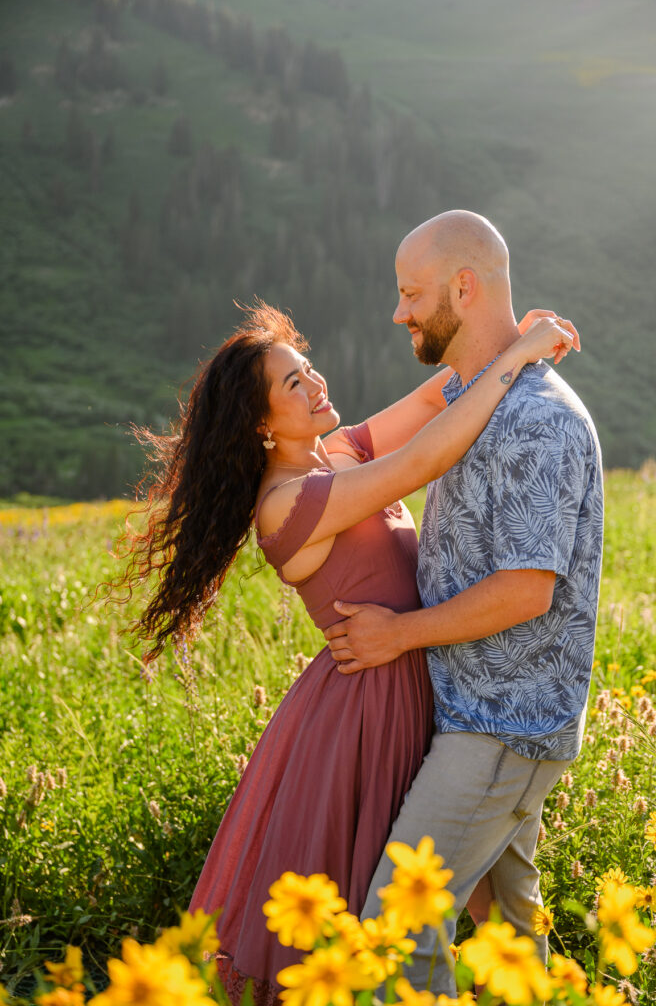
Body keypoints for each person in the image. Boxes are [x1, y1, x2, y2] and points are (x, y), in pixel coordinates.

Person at [122, 299, 575, 1005]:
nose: (315, 385)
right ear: (259, 424)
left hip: (417, 676)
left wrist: (508, 334)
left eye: (308, 370)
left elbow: (433, 396)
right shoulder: (286, 501)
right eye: (292, 386)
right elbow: (427, 455)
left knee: (484, 892)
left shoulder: (339, 452)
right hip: (366, 709)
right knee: (371, 905)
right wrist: (518, 358)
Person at [323, 210, 604, 994]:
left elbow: (525, 590)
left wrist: (398, 635)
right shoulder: (485, 394)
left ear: (463, 286)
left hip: (500, 724)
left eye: (410, 294)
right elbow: (359, 447)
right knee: (513, 942)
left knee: (396, 930)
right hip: (483, 713)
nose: (398, 312)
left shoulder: (534, 421)